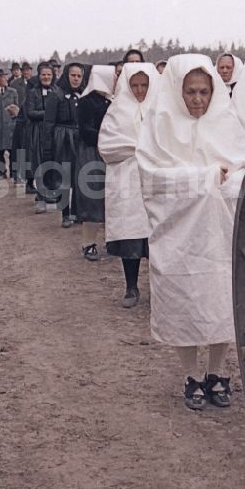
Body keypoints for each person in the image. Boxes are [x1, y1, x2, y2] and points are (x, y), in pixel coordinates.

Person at [137, 54, 245, 410]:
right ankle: (190, 374)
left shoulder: (227, 124)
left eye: (204, 92)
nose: (198, 99)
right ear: (176, 91)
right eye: (190, 92)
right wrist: (206, 177)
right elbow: (152, 178)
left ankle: (217, 371)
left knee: (221, 300)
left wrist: (227, 181)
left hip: (222, 233)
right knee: (185, 300)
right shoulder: (159, 125)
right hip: (180, 235)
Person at [99, 62, 160, 306]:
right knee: (131, 235)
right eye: (134, 85)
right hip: (127, 179)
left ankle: (160, 288)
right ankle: (131, 286)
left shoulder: (162, 108)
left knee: (158, 236)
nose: (139, 90)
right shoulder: (117, 110)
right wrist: (139, 147)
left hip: (155, 179)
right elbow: (106, 146)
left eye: (144, 85)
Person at [75, 66, 114, 260]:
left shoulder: (111, 100)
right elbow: (85, 131)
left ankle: (111, 240)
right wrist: (107, 135)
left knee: (110, 197)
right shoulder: (86, 102)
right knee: (93, 196)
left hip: (107, 151)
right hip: (92, 153)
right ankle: (88, 242)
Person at [44, 62, 86, 226]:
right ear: (66, 76)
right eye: (73, 75)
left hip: (79, 137)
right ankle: (65, 213)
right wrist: (48, 146)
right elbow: (48, 123)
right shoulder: (56, 95)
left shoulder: (83, 94)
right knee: (64, 176)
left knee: (79, 176)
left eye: (79, 76)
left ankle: (77, 212)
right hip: (62, 137)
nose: (76, 79)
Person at [25, 62, 56, 212]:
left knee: (54, 163)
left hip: (54, 132)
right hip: (38, 132)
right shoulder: (33, 92)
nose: (46, 77)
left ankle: (52, 194)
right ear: (39, 76)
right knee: (40, 164)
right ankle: (40, 198)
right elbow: (30, 112)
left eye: (49, 74)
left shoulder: (57, 91)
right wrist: (49, 114)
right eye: (43, 74)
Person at [9, 62, 32, 183]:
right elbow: (12, 101)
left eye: (28, 70)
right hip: (19, 118)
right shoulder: (14, 84)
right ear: (21, 72)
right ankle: (16, 174)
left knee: (28, 148)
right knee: (18, 147)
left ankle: (27, 174)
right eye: (24, 70)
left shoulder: (35, 83)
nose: (26, 72)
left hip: (31, 120)